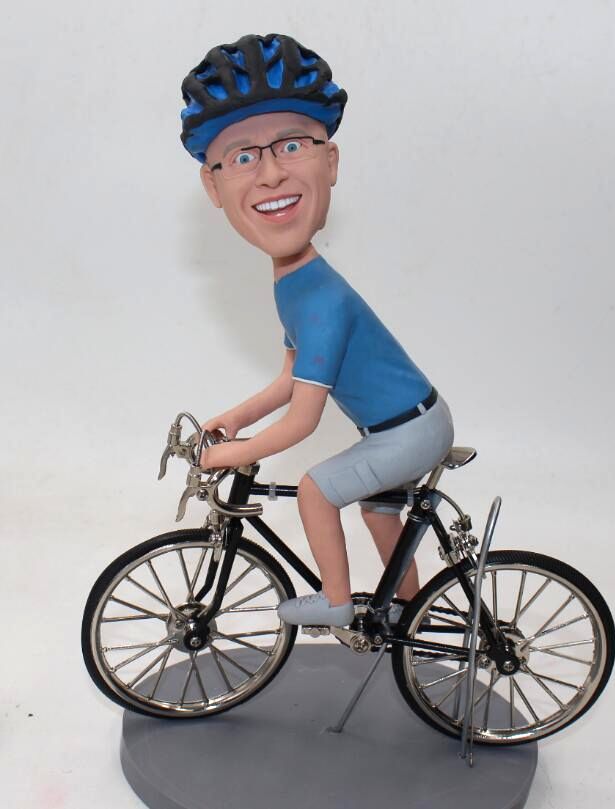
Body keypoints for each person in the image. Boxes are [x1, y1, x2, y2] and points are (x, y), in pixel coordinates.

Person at [180, 33, 454, 627]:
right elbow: (290, 378)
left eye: (291, 146)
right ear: (213, 187)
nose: (271, 174)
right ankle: (409, 613)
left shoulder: (321, 299)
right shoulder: (297, 285)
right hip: (405, 422)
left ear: (330, 163)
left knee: (315, 490)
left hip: (408, 431)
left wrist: (237, 453)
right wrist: (236, 417)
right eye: (243, 157)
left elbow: (304, 420)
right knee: (379, 511)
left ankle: (335, 602)